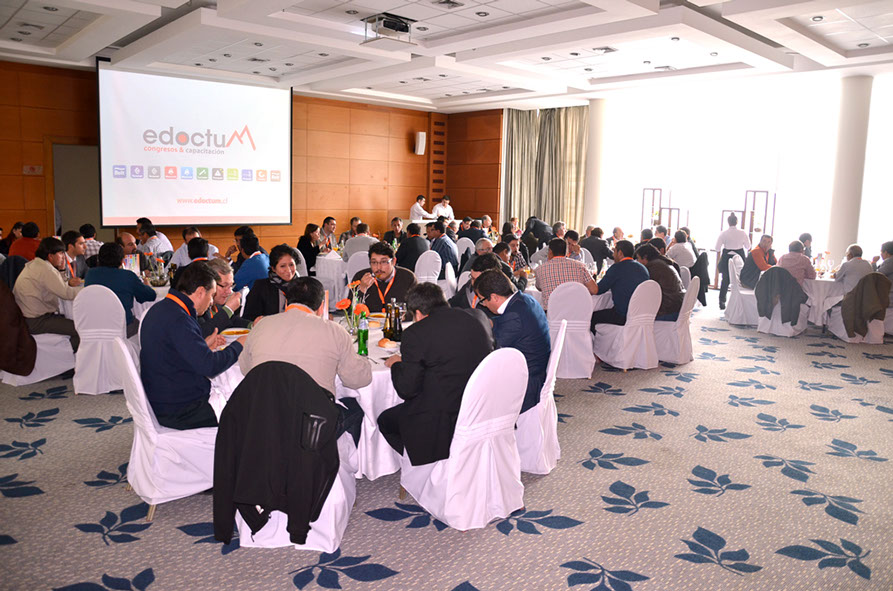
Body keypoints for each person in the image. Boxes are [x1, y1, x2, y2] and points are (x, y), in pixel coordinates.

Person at [377, 283, 493, 466]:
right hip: (479, 407)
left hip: (440, 418)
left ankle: (431, 468)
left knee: (385, 421)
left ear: (417, 314)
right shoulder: (474, 319)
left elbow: (407, 390)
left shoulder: (415, 333)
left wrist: (397, 365)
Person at [238, 276, 369, 432]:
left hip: (266, 417)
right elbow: (357, 380)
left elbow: (246, 369)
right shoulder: (334, 331)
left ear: (286, 302)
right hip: (313, 424)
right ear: (321, 307)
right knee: (357, 409)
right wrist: (363, 358)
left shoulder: (261, 325)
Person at [140, 262, 246, 430]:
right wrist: (240, 345)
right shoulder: (180, 319)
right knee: (247, 407)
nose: (211, 302)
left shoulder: (162, 309)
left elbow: (174, 353)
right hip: (181, 410)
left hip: (165, 396)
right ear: (200, 292)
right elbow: (210, 367)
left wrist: (203, 345)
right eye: (211, 295)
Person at [475, 269, 550, 413]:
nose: (483, 305)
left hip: (526, 384)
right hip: (536, 371)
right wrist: (490, 322)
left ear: (494, 297)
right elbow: (507, 324)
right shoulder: (525, 300)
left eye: (482, 300)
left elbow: (493, 352)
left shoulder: (513, 316)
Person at [13, 237, 83, 351]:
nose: (63, 257)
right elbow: (66, 293)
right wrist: (87, 289)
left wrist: (61, 270)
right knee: (80, 329)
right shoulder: (46, 269)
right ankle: (63, 355)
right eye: (61, 253)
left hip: (26, 318)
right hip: (36, 321)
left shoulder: (37, 264)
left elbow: (58, 285)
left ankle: (63, 354)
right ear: (50, 256)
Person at [85, 242, 156, 337]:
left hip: (95, 326)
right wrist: (147, 285)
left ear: (99, 258)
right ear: (122, 260)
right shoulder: (128, 276)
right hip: (123, 327)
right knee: (149, 326)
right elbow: (151, 296)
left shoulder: (90, 274)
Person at [589, 240, 650, 331]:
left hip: (622, 315)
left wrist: (588, 280)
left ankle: (595, 340)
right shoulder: (643, 268)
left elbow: (598, 290)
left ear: (620, 253)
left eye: (614, 251)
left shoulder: (617, 268)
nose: (613, 255)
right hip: (639, 315)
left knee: (592, 317)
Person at [352, 242, 417, 313]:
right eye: (374, 262)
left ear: (393, 261)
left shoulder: (408, 278)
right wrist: (361, 290)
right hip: (368, 320)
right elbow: (349, 311)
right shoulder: (360, 277)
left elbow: (416, 310)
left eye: (383, 262)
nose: (378, 267)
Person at [535, 238, 598, 310]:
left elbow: (539, 287)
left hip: (552, 314)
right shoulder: (580, 266)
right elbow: (594, 290)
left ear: (550, 251)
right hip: (578, 312)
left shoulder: (540, 269)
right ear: (566, 251)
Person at [242, 243, 299, 321]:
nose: (288, 270)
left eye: (291, 265)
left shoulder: (302, 286)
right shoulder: (261, 286)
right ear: (273, 268)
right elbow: (248, 317)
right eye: (283, 266)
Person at [196, 258, 250, 338]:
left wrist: (252, 325)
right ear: (210, 283)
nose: (229, 292)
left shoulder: (217, 305)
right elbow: (202, 334)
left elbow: (232, 320)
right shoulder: (198, 306)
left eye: (231, 285)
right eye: (224, 286)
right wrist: (228, 309)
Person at [634, 244, 683, 321]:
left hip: (667, 310)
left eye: (638, 258)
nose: (637, 261)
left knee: (636, 316)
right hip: (676, 307)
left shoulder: (654, 267)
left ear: (645, 257)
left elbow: (645, 289)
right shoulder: (664, 263)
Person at [715, 214, 751, 309]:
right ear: (737, 222)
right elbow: (748, 247)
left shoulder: (723, 233)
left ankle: (722, 301)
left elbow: (717, 248)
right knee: (741, 279)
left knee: (725, 280)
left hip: (727, 257)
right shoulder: (743, 233)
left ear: (728, 222)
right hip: (739, 257)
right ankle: (740, 301)